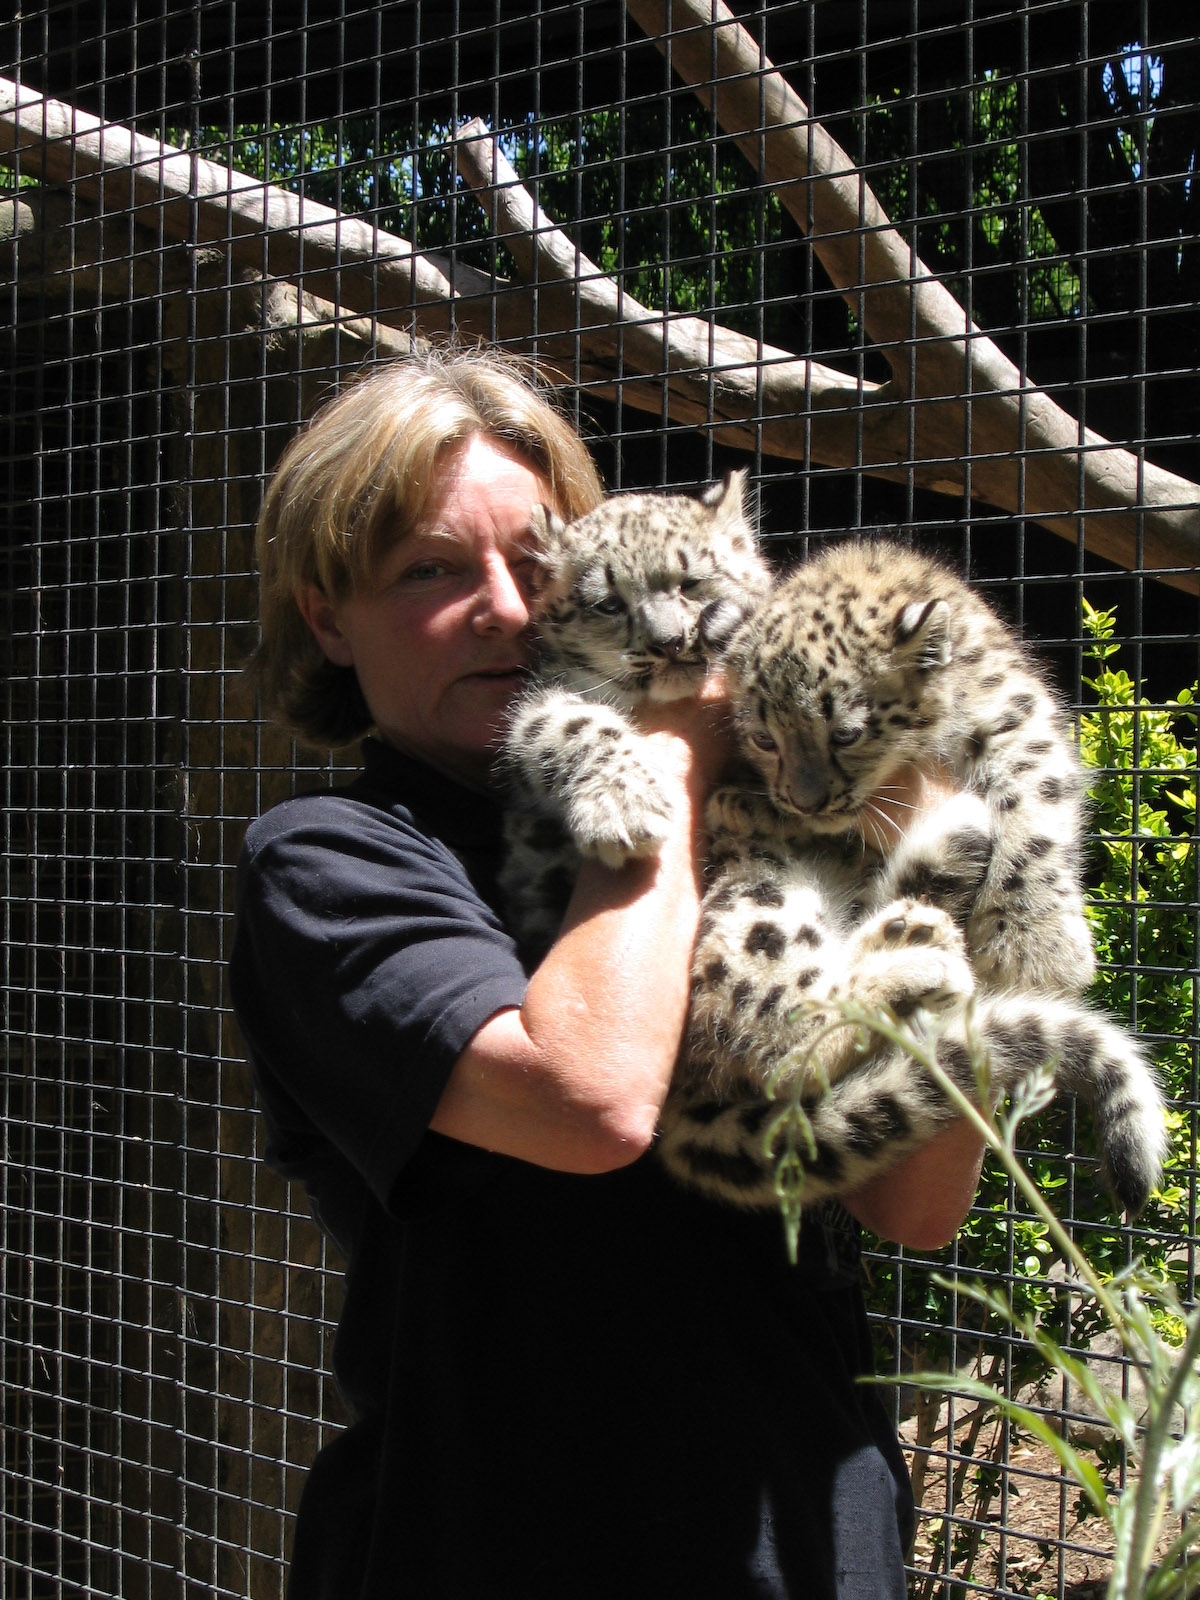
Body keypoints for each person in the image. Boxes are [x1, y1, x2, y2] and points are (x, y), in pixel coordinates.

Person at [230, 347, 985, 1600]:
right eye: (429, 568)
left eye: (534, 567)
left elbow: (915, 1205)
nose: (508, 609)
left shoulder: (756, 806)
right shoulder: (330, 860)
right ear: (326, 616)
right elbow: (592, 1101)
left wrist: (926, 893)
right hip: (495, 1543)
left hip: (804, 1530)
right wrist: (680, 749)